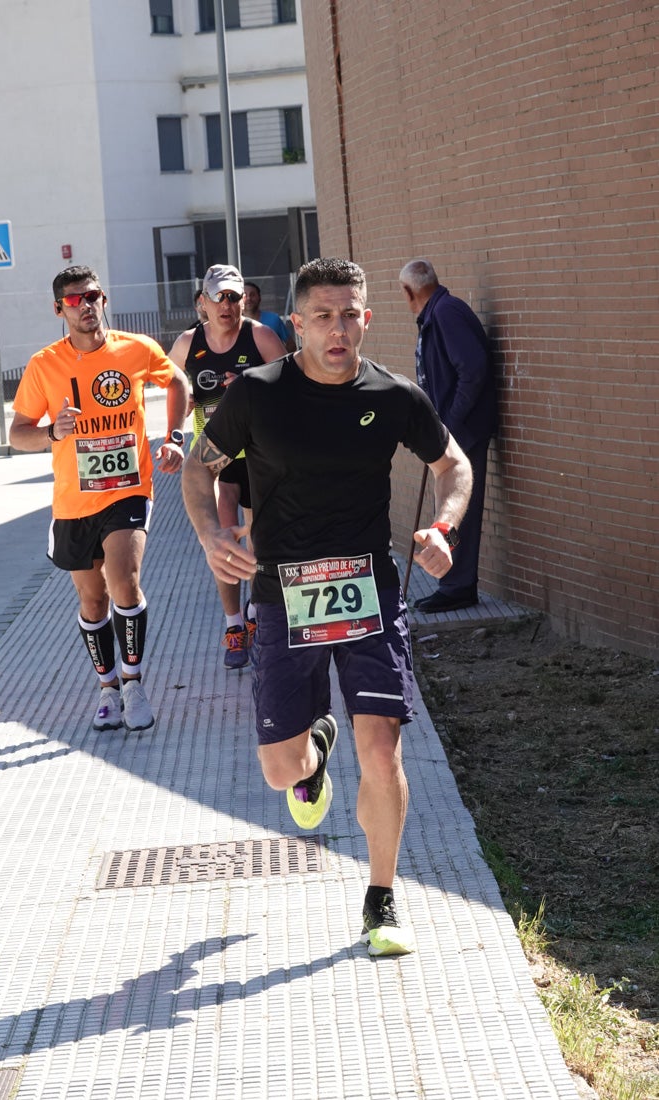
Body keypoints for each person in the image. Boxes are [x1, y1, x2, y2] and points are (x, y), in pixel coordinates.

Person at [182, 257, 472, 955]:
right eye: (322, 316)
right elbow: (199, 465)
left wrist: (444, 525)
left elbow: (452, 464)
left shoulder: (395, 396)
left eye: (349, 315)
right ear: (298, 324)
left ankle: (381, 901)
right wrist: (211, 534)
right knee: (279, 771)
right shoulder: (258, 394)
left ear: (366, 319)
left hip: (370, 587)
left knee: (382, 750)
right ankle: (313, 749)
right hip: (285, 595)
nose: (337, 330)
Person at [10, 264, 190, 732]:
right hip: (73, 501)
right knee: (93, 601)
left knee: (124, 581)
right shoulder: (44, 364)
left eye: (92, 296)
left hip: (128, 488)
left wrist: (173, 436)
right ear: (59, 309)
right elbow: (18, 433)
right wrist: (52, 431)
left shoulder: (135, 348)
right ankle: (107, 688)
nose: (86, 305)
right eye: (74, 300)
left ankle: (133, 683)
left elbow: (176, 382)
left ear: (103, 299)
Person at [169, 264, 287, 669]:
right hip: (215, 459)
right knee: (221, 536)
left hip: (257, 454)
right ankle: (233, 624)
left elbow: (293, 391)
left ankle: (256, 614)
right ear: (203, 302)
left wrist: (255, 389)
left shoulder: (261, 337)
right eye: (219, 297)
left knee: (256, 537)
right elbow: (175, 401)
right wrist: (173, 439)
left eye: (234, 296)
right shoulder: (187, 345)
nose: (228, 305)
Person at [399, 259, 498, 612]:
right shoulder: (436, 314)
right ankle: (452, 581)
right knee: (449, 507)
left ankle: (458, 586)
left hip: (464, 431)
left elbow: (473, 369)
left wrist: (449, 425)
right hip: (452, 431)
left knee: (460, 510)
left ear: (410, 291)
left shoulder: (446, 313)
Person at [244, 280, 296, 351]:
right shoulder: (233, 324)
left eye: (252, 295)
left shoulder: (273, 319)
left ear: (259, 298)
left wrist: (279, 359)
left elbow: (291, 345)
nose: (248, 298)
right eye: (244, 295)